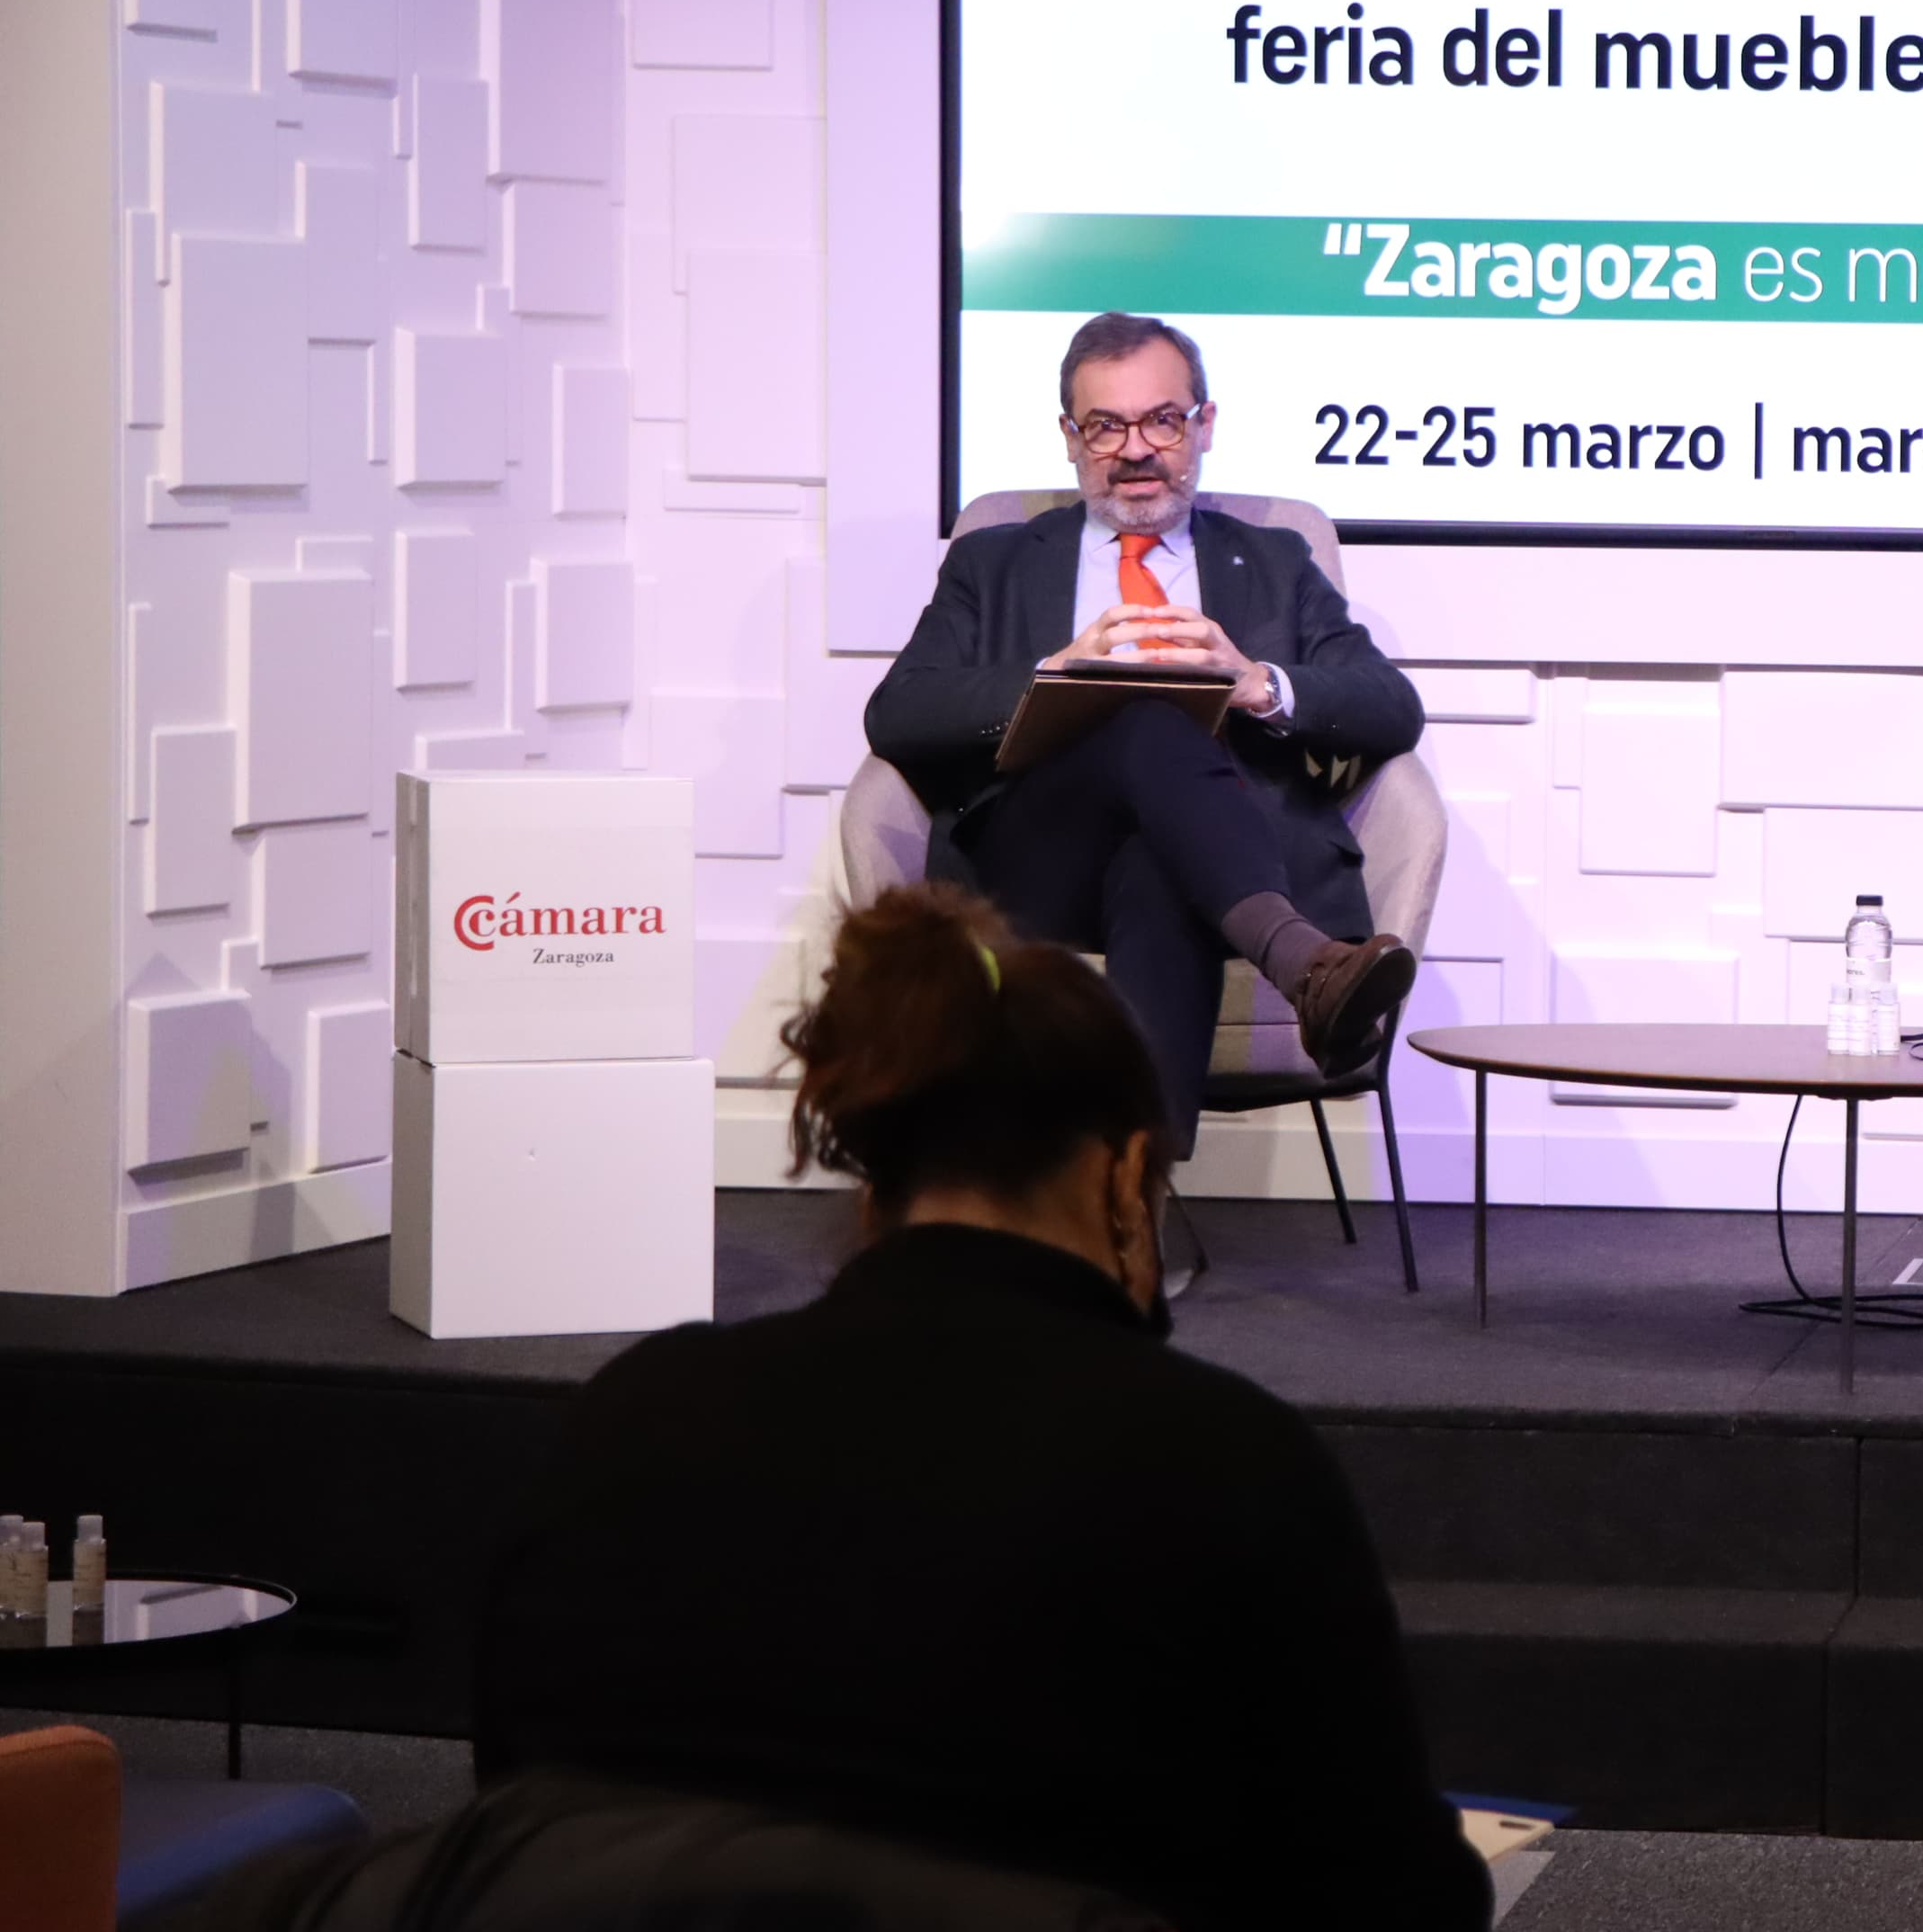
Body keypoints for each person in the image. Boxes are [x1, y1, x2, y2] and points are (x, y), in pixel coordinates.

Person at [470, 883, 1496, 1932]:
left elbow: (512, 1821)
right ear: (1123, 1176)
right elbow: (1396, 1901)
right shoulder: (1227, 1464)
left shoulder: (631, 1414)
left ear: (875, 1179)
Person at [866, 312, 1425, 1128]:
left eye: (1162, 420)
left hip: (1230, 866)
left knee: (1160, 867)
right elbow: (898, 713)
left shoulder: (1274, 561)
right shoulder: (995, 561)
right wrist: (1053, 675)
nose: (1135, 449)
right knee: (1148, 718)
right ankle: (1304, 962)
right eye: (1105, 426)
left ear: (1204, 425)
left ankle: (1131, 1190)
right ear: (1070, 438)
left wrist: (1255, 683)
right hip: (1039, 859)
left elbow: (1390, 707)